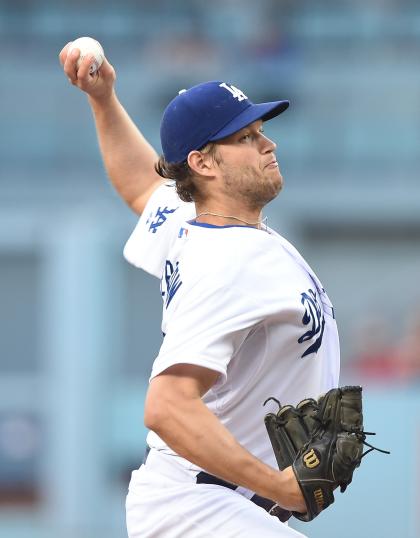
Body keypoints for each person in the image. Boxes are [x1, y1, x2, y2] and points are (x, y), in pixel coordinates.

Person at [59, 42, 340, 538]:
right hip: (201, 507)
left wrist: (103, 99)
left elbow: (141, 187)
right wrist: (280, 486)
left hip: (207, 506)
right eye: (247, 137)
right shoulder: (230, 263)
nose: (268, 144)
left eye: (262, 131)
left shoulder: (193, 222)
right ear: (204, 163)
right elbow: (167, 405)